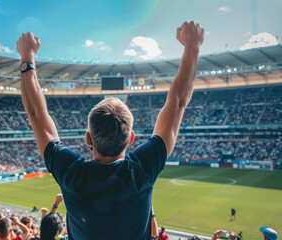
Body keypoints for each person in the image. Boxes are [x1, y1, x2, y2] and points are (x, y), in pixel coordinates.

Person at [17, 20, 204, 240]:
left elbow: (36, 114)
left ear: (88, 139)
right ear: (130, 138)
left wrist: (27, 58)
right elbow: (179, 101)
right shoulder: (142, 169)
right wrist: (192, 47)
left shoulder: (72, 173)